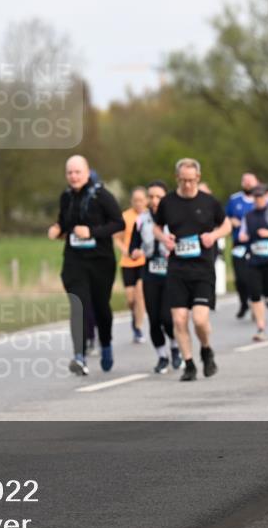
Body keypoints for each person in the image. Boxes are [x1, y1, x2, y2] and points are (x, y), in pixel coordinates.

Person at [153, 159, 231, 381]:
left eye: (191, 180)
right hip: (177, 268)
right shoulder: (168, 202)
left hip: (202, 269)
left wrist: (213, 236)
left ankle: (206, 349)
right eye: (183, 180)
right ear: (177, 178)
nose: (187, 185)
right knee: (179, 319)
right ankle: (189, 364)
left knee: (199, 320)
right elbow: (157, 227)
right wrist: (164, 238)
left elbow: (227, 225)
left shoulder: (208, 202)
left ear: (198, 178)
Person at [48, 156, 124, 375]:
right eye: (70, 172)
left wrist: (92, 232)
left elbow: (119, 223)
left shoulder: (102, 195)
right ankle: (79, 357)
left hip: (100, 261)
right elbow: (64, 222)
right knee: (78, 306)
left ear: (87, 172)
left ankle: (106, 345)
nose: (73, 176)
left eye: (77, 172)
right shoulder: (66, 197)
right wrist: (57, 229)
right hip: (75, 261)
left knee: (101, 308)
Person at [129, 180, 181, 373]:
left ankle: (175, 347)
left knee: (167, 318)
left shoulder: (175, 217)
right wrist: (135, 251)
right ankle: (161, 356)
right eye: (150, 196)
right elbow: (133, 245)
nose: (154, 200)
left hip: (171, 272)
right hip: (150, 271)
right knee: (154, 319)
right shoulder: (142, 219)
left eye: (158, 196)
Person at [238, 184, 268, 341]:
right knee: (255, 295)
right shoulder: (248, 216)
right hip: (254, 261)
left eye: (261, 196)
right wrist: (243, 237)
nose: (258, 200)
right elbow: (242, 234)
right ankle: (261, 328)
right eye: (256, 197)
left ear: (266, 197)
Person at [115, 186, 150, 344]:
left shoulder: (150, 216)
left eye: (141, 200)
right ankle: (134, 316)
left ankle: (138, 328)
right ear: (131, 201)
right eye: (135, 200)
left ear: (146, 200)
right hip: (128, 262)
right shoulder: (125, 217)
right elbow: (117, 238)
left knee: (140, 294)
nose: (138, 203)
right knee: (130, 299)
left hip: (144, 261)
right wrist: (125, 250)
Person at [227, 173, 259, 320]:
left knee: (254, 276)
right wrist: (231, 221)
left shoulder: (261, 200)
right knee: (240, 277)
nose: (247, 184)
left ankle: (255, 303)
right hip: (239, 244)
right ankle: (243, 303)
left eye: (250, 181)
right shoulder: (234, 200)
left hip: (256, 244)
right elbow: (224, 218)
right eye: (244, 181)